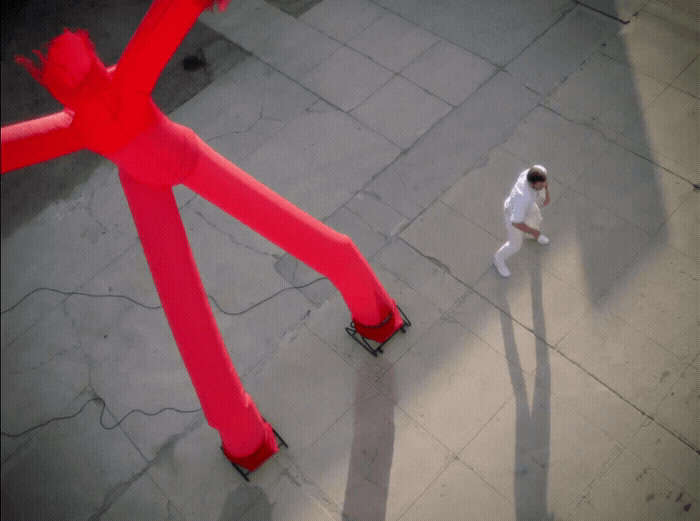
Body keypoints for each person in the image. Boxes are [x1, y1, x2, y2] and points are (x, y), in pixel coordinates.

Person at [494, 165, 550, 277]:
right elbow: (516, 222)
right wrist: (532, 231)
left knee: (536, 219)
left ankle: (531, 236)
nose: (543, 185)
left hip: (529, 207)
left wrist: (547, 195)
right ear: (532, 184)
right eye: (540, 185)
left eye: (543, 182)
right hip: (512, 215)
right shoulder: (523, 197)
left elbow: (545, 184)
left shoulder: (535, 172)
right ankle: (498, 259)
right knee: (515, 245)